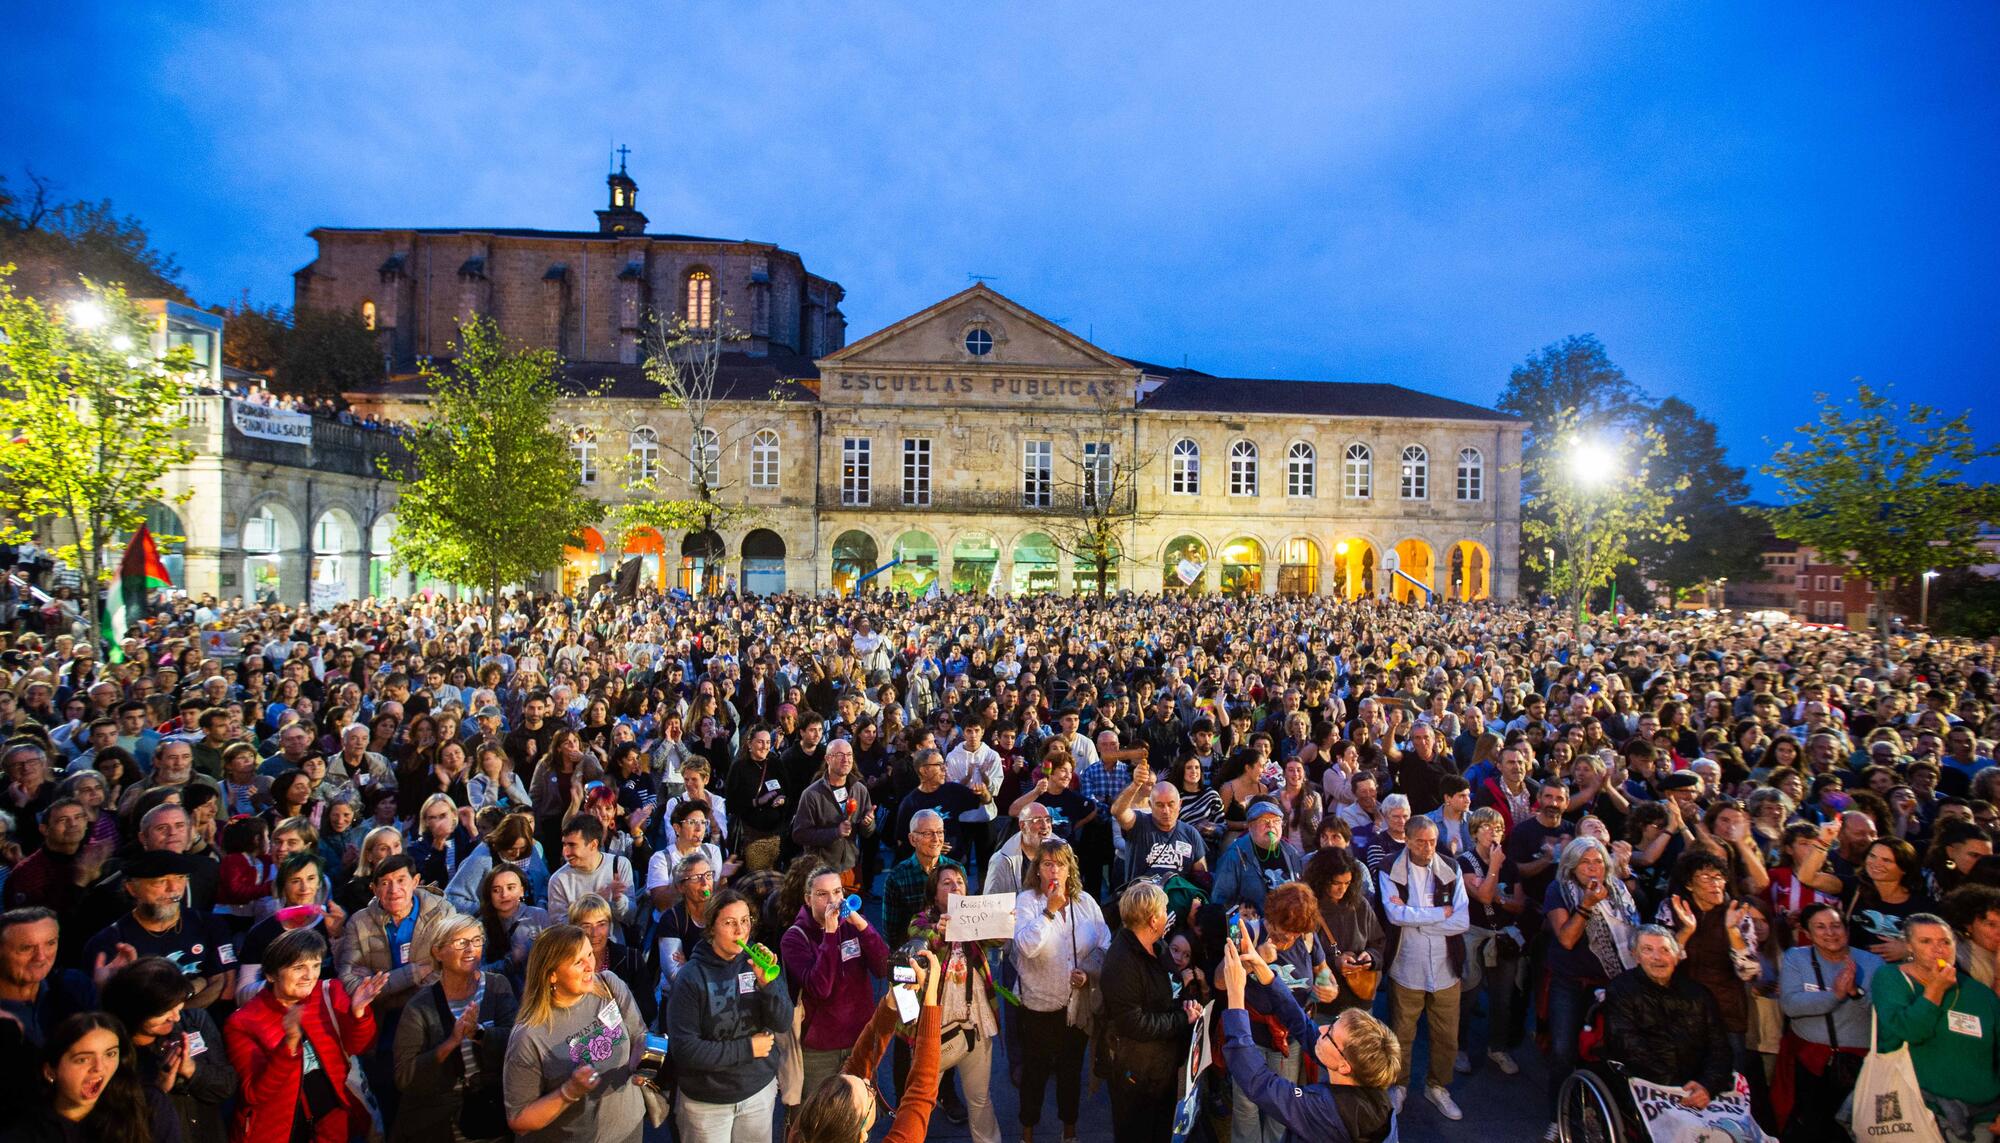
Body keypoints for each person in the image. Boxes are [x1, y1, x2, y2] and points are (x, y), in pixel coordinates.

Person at [1219, 939, 1399, 1143]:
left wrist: (1235, 995)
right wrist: (1264, 972)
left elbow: (1257, 1081)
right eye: (1334, 1022)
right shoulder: (1369, 1082)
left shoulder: (1322, 1111)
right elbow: (1303, 1026)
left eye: (1330, 1033)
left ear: (1344, 1065)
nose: (1321, 1028)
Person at [223, 927, 389, 1143]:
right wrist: (289, 1046)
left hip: (333, 1124)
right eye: (299, 967)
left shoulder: (331, 991)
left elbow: (360, 1047)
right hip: (276, 1132)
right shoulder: (243, 1022)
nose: (309, 976)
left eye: (316, 966)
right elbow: (254, 1094)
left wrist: (358, 1014)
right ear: (271, 975)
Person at [664, 887, 794, 1143]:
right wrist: (747, 1048)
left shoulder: (757, 961)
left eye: (745, 921)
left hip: (757, 1090)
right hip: (707, 1102)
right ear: (711, 928)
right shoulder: (691, 978)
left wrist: (769, 984)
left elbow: (783, 1021)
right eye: (730, 923)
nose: (740, 931)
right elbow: (685, 1049)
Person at [501, 924, 647, 1143]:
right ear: (552, 975)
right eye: (578, 962)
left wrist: (643, 1060)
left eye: (589, 954)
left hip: (629, 1130)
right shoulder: (529, 1035)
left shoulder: (608, 984)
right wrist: (568, 1092)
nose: (591, 965)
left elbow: (639, 1034)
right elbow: (519, 1120)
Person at [784, 949, 943, 1143]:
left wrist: (891, 1003)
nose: (868, 1082)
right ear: (861, 1135)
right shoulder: (806, 1128)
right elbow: (920, 1091)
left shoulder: (805, 1133)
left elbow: (857, 1068)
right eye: (869, 1092)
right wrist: (931, 995)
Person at [1011, 836, 1109, 1143]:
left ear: (1070, 869)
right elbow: (1026, 947)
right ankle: (1027, 1133)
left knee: (1071, 1072)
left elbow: (1104, 943)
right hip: (1039, 1005)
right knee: (1035, 1074)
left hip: (1075, 1005)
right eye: (1048, 864)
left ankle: (1070, 1133)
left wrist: (1088, 972)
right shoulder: (1027, 901)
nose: (1054, 871)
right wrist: (1049, 912)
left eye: (1061, 864)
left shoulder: (1086, 902)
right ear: (1037, 869)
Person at [391, 913, 519, 1143]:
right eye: (461, 942)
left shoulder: (497, 986)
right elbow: (404, 1077)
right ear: (438, 952)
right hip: (443, 1123)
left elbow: (517, 1043)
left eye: (477, 940)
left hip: (496, 1112)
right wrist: (451, 1042)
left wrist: (479, 1034)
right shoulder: (419, 1007)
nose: (471, 948)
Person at [1871, 912, 2000, 1135]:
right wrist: (1935, 990)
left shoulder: (1979, 993)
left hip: (1982, 1113)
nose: (1938, 948)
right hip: (1920, 1108)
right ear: (1909, 947)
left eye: (1945, 942)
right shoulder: (1891, 978)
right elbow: (1911, 1031)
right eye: (1926, 941)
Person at [1378, 813, 1468, 1121]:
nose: (1428, 848)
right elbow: (1393, 915)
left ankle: (1438, 1086)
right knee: (1401, 1033)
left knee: (1447, 1036)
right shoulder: (1389, 867)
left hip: (1446, 968)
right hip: (1406, 967)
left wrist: (1418, 920)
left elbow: (1462, 920)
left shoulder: (1451, 868)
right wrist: (1438, 915)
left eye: (1432, 842)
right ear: (1407, 839)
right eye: (1421, 842)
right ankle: (1398, 1086)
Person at [906, 862, 1003, 1143]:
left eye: (959, 882)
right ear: (934, 893)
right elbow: (919, 941)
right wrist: (939, 929)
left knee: (980, 1099)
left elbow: (997, 940)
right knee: (921, 1098)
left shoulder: (976, 917)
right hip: (934, 1024)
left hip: (975, 1020)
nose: (955, 886)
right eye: (946, 883)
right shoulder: (922, 920)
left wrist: (1003, 919)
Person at [779, 865, 889, 1104]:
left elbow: (882, 968)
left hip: (860, 1038)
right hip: (820, 1049)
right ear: (808, 899)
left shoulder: (852, 925)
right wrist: (830, 936)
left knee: (860, 1115)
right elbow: (821, 988)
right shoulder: (794, 938)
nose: (833, 900)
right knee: (818, 1120)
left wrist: (862, 925)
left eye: (838, 892)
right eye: (823, 894)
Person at [1600, 926, 1735, 1119]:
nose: (1657, 957)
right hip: (1649, 1085)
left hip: (1699, 1087)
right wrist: (1676, 1088)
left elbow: (1720, 1048)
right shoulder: (1621, 990)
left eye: (1665, 950)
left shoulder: (1699, 994)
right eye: (1648, 950)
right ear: (1635, 956)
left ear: (1677, 956)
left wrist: (1707, 1085)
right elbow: (1629, 1048)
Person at [99, 956, 236, 1143]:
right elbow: (118, 1124)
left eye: (178, 1007)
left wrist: (191, 1069)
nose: (176, 1017)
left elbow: (227, 1085)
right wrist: (158, 1090)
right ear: (135, 1011)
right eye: (164, 1011)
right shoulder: (113, 1051)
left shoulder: (195, 1020)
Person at [1776, 901, 1882, 1143]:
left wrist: (1856, 993)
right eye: (1820, 927)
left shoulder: (1872, 963)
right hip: (1809, 1060)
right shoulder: (1796, 958)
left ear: (1847, 929)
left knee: (1853, 1130)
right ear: (1807, 933)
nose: (1830, 933)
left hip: (1857, 1063)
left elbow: (1881, 1011)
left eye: (1836, 926)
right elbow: (1791, 1006)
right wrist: (1834, 996)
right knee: (1813, 1130)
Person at [1100, 880, 1197, 1143]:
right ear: (1154, 919)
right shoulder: (1122, 962)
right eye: (1165, 910)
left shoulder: (1157, 945)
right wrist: (1181, 1018)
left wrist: (1184, 1004)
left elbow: (1169, 989)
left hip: (1160, 1069)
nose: (1169, 915)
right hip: (1135, 1072)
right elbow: (1134, 1023)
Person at [10, 1012, 183, 1143]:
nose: (99, 1068)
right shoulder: (26, 1133)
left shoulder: (148, 1105)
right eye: (83, 1059)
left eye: (110, 1054)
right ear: (50, 1071)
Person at [1110, 773, 1207, 888]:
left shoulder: (1190, 833)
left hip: (1178, 901)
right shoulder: (1138, 823)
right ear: (1150, 805)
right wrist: (1135, 785)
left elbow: (1202, 877)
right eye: (1160, 805)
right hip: (1142, 900)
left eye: (1171, 804)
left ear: (1180, 804)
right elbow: (1117, 811)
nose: (1166, 811)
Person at [1214, 798, 1304, 912]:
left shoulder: (1291, 852)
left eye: (1276, 821)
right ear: (1250, 826)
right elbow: (1221, 900)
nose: (1270, 826)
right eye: (1264, 821)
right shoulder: (1234, 856)